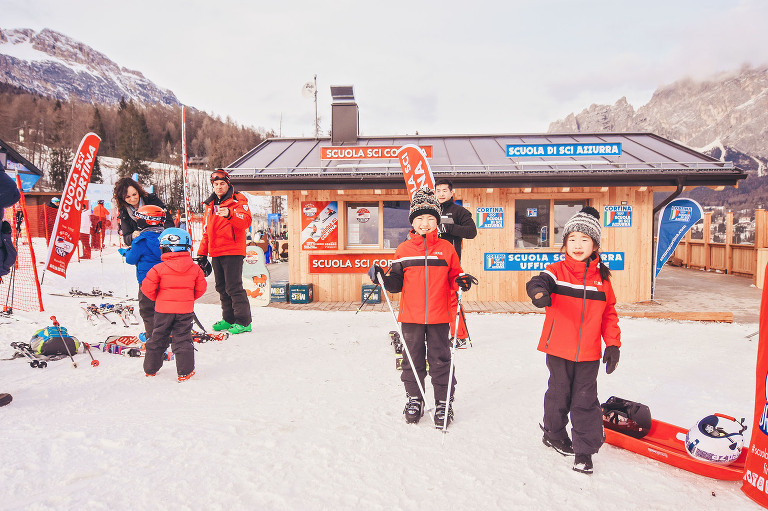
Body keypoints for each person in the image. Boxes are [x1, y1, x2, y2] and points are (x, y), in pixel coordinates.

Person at [525, 206, 621, 475]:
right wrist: (539, 294)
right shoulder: (556, 271)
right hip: (558, 348)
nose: (578, 245)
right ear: (565, 243)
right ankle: (553, 434)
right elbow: (538, 281)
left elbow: (609, 313)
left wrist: (613, 344)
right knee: (558, 394)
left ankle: (584, 451)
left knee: (585, 399)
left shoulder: (602, 279)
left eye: (585, 240)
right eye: (572, 239)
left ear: (595, 245)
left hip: (589, 353)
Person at [369, 187, 475, 428]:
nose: (425, 223)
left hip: (439, 315)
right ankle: (414, 398)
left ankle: (442, 402)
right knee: (411, 360)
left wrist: (461, 280)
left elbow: (455, 276)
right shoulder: (403, 250)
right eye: (419, 218)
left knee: (440, 360)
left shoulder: (446, 249)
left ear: (437, 221)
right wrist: (381, 277)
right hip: (411, 316)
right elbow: (396, 283)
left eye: (430, 218)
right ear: (412, 222)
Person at [140, 228, 207, 382]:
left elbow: (147, 289)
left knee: (157, 337)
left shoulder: (158, 269)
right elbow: (201, 289)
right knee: (183, 338)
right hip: (185, 310)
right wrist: (188, 298)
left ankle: (150, 369)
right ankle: (185, 372)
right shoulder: (196, 269)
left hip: (163, 310)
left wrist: (159, 299)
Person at [197, 169, 253, 334]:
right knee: (221, 287)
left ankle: (244, 321)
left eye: (222, 183)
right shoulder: (210, 205)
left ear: (228, 184)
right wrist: (202, 253)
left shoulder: (238, 200)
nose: (219, 187)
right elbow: (207, 231)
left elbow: (246, 221)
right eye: (216, 184)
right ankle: (228, 319)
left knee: (234, 287)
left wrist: (230, 213)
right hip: (216, 251)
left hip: (233, 250)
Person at [435, 179, 477, 347]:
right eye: (438, 190)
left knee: (453, 300)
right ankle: (432, 334)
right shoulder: (431, 211)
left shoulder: (459, 211)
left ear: (452, 193)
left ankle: (459, 336)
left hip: (451, 264)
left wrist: (449, 228)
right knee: (432, 299)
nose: (441, 194)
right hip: (430, 263)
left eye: (445, 190)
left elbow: (471, 232)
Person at [119, 205, 165, 343]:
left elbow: (131, 259)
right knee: (164, 308)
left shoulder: (140, 240)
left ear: (146, 220)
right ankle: (167, 333)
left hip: (147, 282)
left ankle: (152, 336)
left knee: (147, 309)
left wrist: (127, 252)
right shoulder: (166, 237)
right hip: (166, 280)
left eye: (138, 218)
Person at [113, 177, 173, 247]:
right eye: (128, 197)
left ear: (138, 191)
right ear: (122, 198)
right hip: (142, 247)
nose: (132, 199)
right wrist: (132, 236)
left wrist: (162, 235)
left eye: (134, 194)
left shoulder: (152, 200)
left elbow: (169, 222)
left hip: (160, 244)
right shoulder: (124, 211)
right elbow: (126, 237)